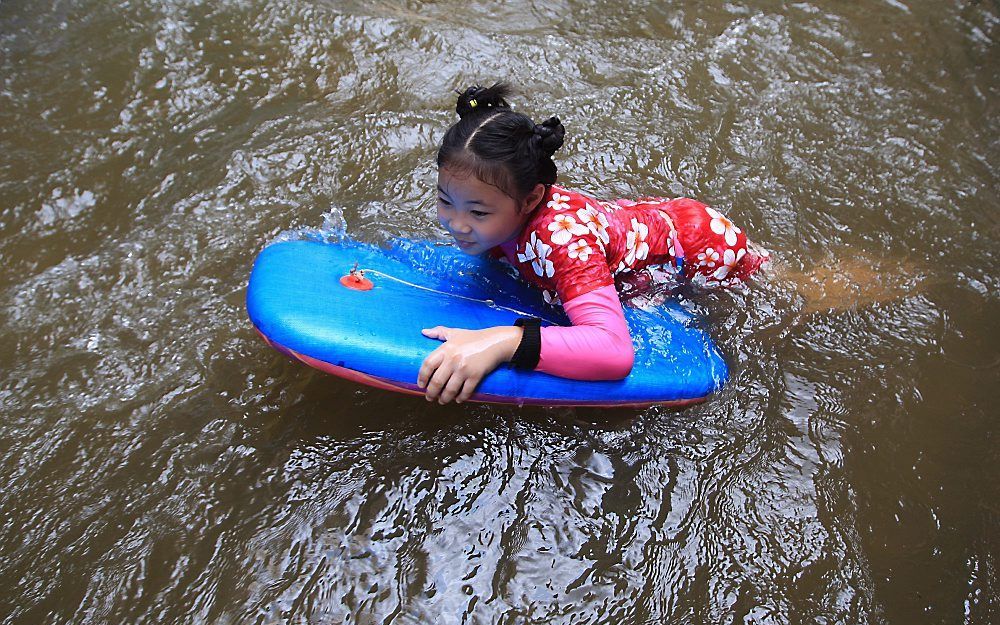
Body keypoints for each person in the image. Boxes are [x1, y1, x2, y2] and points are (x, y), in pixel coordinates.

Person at [417, 82, 768, 404]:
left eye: (477, 213)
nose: (456, 224)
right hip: (639, 225)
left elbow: (614, 352)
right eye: (446, 201)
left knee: (780, 290)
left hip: (698, 249)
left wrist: (502, 343)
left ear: (530, 200)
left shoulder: (563, 244)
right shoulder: (500, 208)